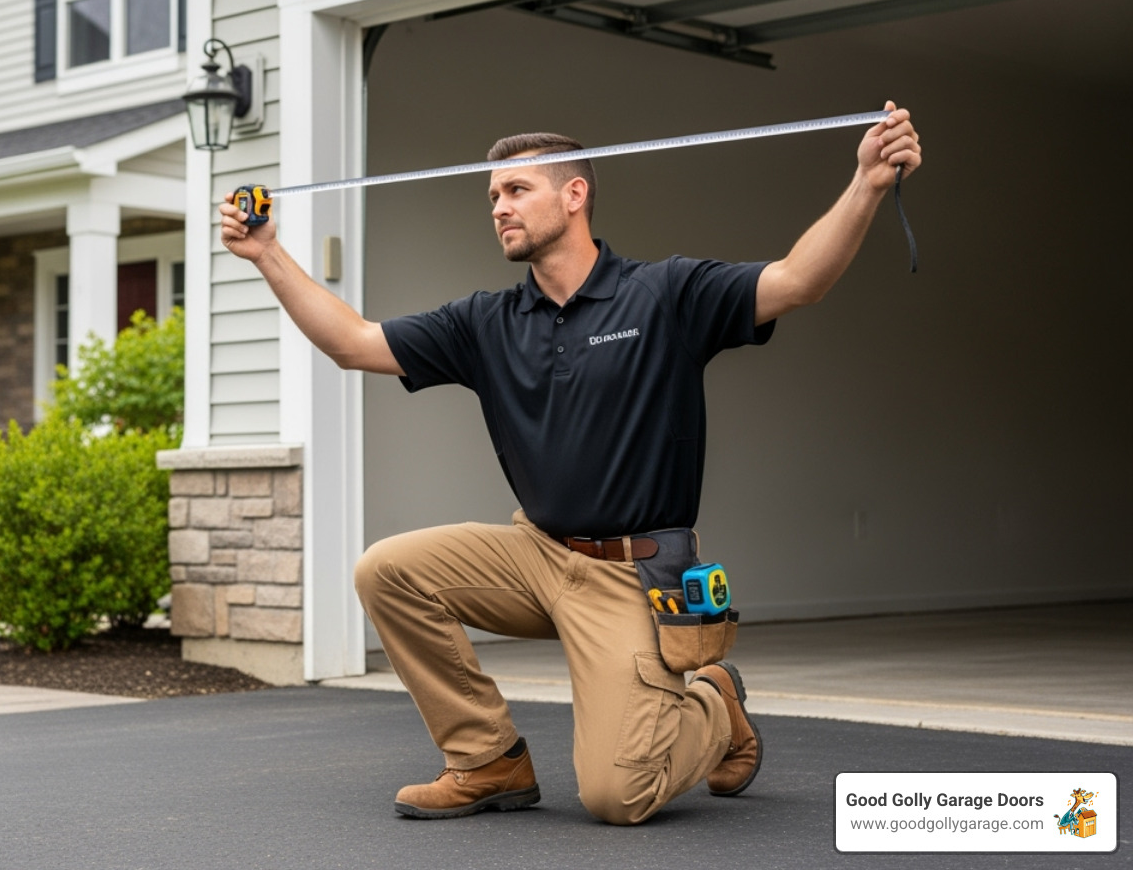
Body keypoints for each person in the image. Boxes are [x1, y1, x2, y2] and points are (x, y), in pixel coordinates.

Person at [218, 102, 922, 825]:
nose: (499, 207)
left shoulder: (666, 293)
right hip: (536, 553)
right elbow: (354, 344)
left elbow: (798, 280)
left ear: (574, 195)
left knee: (617, 797)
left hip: (632, 574)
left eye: (516, 190)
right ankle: (488, 760)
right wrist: (269, 253)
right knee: (387, 570)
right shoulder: (486, 322)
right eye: (492, 195)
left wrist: (867, 182)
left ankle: (715, 703)